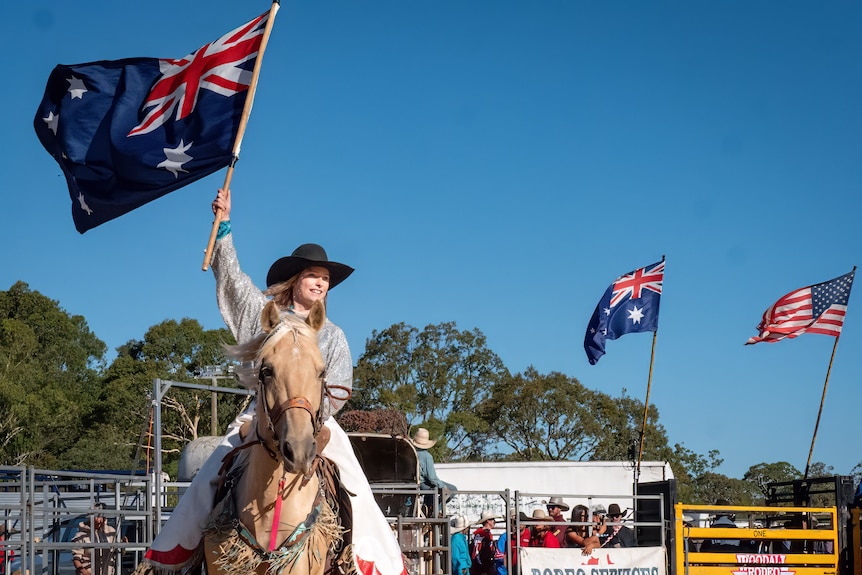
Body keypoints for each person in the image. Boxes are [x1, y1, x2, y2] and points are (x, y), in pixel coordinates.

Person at [140, 188, 406, 575]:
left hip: (317, 419)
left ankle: (368, 559)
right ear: (296, 279)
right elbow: (232, 280)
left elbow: (341, 386)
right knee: (209, 475)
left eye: (326, 279)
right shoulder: (265, 316)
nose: (320, 283)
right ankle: (171, 558)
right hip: (260, 414)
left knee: (355, 483)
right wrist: (224, 225)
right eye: (313, 276)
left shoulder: (331, 334)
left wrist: (311, 417)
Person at [411, 428, 457, 513]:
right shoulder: (427, 456)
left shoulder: (410, 453)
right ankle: (434, 510)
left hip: (412, 483)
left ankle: (428, 506)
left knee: (431, 488)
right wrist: (443, 486)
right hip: (421, 483)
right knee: (452, 489)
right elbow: (432, 478)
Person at [71, 504, 124, 575]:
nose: (100, 520)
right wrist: (84, 572)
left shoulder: (111, 532)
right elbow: (76, 559)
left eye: (102, 517)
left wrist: (123, 545)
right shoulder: (81, 535)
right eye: (97, 517)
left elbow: (118, 553)